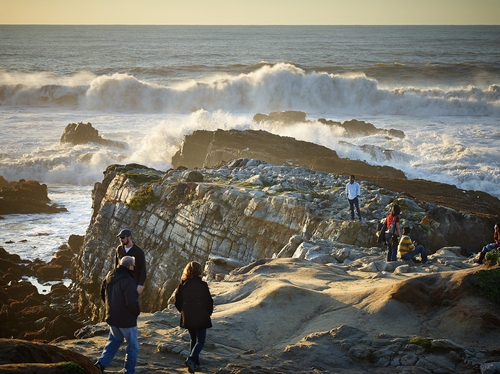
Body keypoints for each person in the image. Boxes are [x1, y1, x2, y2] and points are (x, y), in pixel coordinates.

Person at [94, 256, 140, 374]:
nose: (134, 267)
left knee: (114, 340)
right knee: (132, 347)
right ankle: (129, 371)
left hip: (112, 317)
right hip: (126, 321)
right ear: (129, 266)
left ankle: (101, 364)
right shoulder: (128, 280)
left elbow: (102, 292)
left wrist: (110, 308)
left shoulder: (110, 275)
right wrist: (136, 313)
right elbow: (131, 302)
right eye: (133, 265)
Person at [175, 261, 214, 373]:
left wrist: (183, 311)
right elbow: (208, 301)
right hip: (201, 315)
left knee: (193, 339)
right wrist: (208, 313)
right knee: (201, 340)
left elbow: (177, 301)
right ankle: (192, 359)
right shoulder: (202, 285)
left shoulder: (182, 284)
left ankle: (195, 365)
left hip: (187, 315)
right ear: (199, 271)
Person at [115, 229, 146, 295]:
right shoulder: (119, 249)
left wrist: (140, 285)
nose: (121, 240)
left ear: (129, 237)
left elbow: (143, 269)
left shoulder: (139, 252)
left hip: (133, 285)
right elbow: (116, 266)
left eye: (123, 238)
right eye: (120, 238)